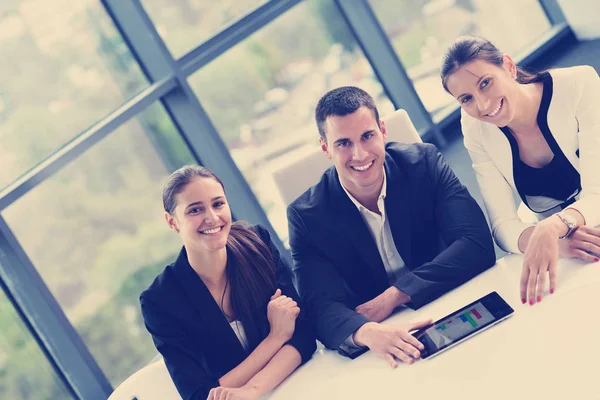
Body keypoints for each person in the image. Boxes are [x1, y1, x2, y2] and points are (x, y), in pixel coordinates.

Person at [287, 86, 496, 367]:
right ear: (325, 148)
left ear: (382, 131)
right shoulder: (307, 218)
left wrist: (394, 296)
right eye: (343, 143)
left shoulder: (424, 162)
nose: (359, 155)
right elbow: (321, 308)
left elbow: (476, 243)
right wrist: (367, 332)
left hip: (449, 303)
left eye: (367, 136)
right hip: (380, 341)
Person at [441, 36, 600, 306]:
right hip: (574, 243)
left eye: (485, 83)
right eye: (466, 99)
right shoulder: (474, 127)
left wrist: (554, 226)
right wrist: (557, 243)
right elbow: (501, 225)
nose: (482, 105)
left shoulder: (578, 84)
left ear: (509, 67)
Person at [140, 166, 316, 400]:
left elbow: (303, 334)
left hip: (301, 383)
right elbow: (200, 394)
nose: (212, 217)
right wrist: (276, 338)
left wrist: (252, 390)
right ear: (172, 222)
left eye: (218, 204)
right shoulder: (160, 302)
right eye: (195, 210)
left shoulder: (257, 244)